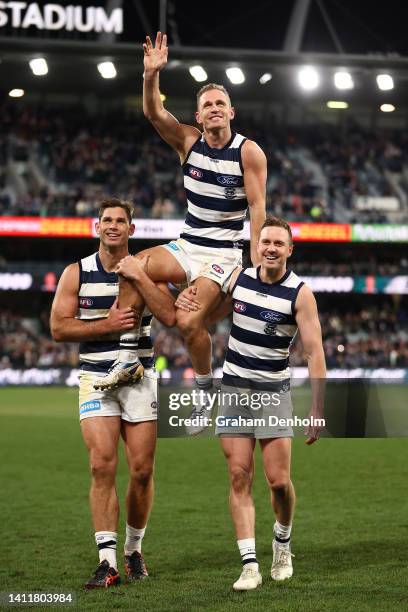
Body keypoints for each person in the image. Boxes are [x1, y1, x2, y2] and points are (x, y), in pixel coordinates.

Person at [95, 31, 267, 420]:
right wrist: (150, 75)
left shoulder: (248, 152)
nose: (215, 108)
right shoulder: (188, 142)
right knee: (130, 265)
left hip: (222, 253)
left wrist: (255, 270)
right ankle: (128, 358)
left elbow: (258, 210)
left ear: (232, 111)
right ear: (199, 116)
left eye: (221, 103)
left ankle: (206, 391)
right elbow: (154, 113)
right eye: (207, 105)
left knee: (189, 322)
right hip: (187, 243)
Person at [175, 216, 326, 590]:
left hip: (273, 394)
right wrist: (184, 297)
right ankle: (249, 565)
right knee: (239, 475)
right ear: (257, 246)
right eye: (265, 242)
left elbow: (315, 352)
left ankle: (282, 542)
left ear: (290, 250)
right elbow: (202, 318)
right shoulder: (238, 279)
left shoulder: (300, 293)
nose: (270, 248)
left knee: (278, 482)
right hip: (234, 390)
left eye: (279, 243)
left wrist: (318, 411)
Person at [50, 198, 180, 588]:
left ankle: (133, 550)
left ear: (131, 229)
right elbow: (58, 328)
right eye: (107, 220)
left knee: (141, 470)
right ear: (97, 227)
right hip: (95, 377)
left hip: (139, 378)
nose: (113, 226)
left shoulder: (147, 269)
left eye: (120, 221)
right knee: (100, 464)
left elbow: (170, 315)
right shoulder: (76, 273)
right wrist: (104, 326)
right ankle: (106, 561)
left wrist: (139, 278)